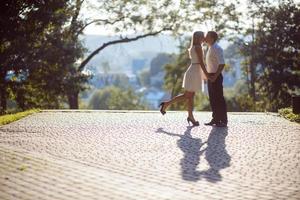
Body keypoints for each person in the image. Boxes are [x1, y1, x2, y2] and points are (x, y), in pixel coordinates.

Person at [159, 31, 210, 126]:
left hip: (194, 70)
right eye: (203, 36)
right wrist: (206, 74)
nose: (204, 38)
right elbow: (201, 62)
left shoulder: (194, 47)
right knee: (188, 96)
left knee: (190, 96)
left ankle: (190, 116)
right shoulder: (198, 47)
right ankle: (167, 104)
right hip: (194, 72)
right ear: (199, 37)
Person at [204, 31, 228, 127]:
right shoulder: (210, 48)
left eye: (207, 36)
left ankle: (223, 120)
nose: (205, 38)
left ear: (212, 38)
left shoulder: (217, 48)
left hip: (216, 76)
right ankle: (215, 119)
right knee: (213, 99)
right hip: (211, 76)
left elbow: (222, 64)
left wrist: (215, 76)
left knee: (219, 99)